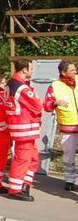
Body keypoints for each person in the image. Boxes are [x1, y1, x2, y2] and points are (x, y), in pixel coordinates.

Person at [5, 58, 43, 201]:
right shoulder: (20, 87)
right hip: (24, 127)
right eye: (31, 68)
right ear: (24, 70)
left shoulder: (13, 84)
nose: (32, 71)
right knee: (22, 158)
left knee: (32, 158)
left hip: (24, 127)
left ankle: (25, 184)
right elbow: (37, 105)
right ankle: (15, 189)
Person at [44, 61, 77, 191]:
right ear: (64, 72)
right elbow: (46, 105)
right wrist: (55, 103)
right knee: (69, 154)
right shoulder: (55, 86)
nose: (75, 72)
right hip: (68, 125)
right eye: (72, 70)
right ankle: (69, 180)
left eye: (75, 70)